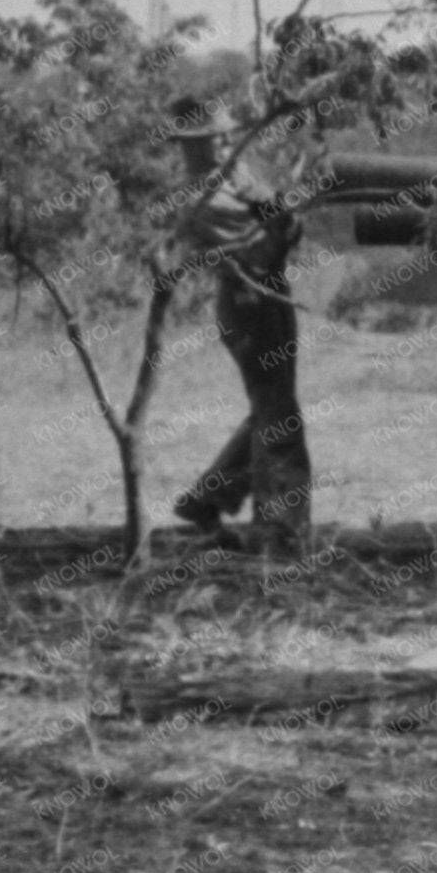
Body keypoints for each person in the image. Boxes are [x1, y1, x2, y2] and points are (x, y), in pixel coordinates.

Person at [163, 99, 309, 547]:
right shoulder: (199, 197)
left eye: (228, 134)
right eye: (216, 137)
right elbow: (264, 246)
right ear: (192, 145)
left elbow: (276, 220)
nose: (227, 142)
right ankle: (279, 529)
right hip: (249, 300)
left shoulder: (232, 177)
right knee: (279, 415)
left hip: (269, 294)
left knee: (272, 408)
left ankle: (209, 498)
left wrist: (283, 207)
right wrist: (285, 214)